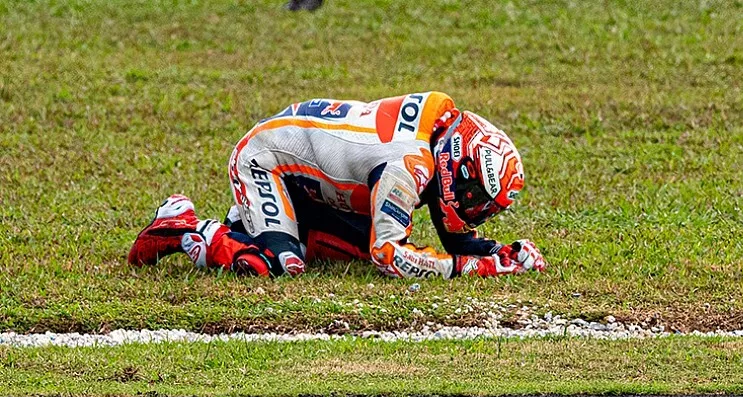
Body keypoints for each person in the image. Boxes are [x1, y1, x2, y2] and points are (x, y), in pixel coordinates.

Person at [128, 91, 546, 278]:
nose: (477, 209)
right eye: (476, 196)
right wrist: (479, 267)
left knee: (354, 250)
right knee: (278, 264)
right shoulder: (407, 165)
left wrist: (501, 253)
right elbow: (391, 257)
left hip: (310, 176)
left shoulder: (434, 137)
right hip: (266, 161)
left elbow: (454, 238)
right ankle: (182, 227)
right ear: (458, 163)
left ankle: (251, 226)